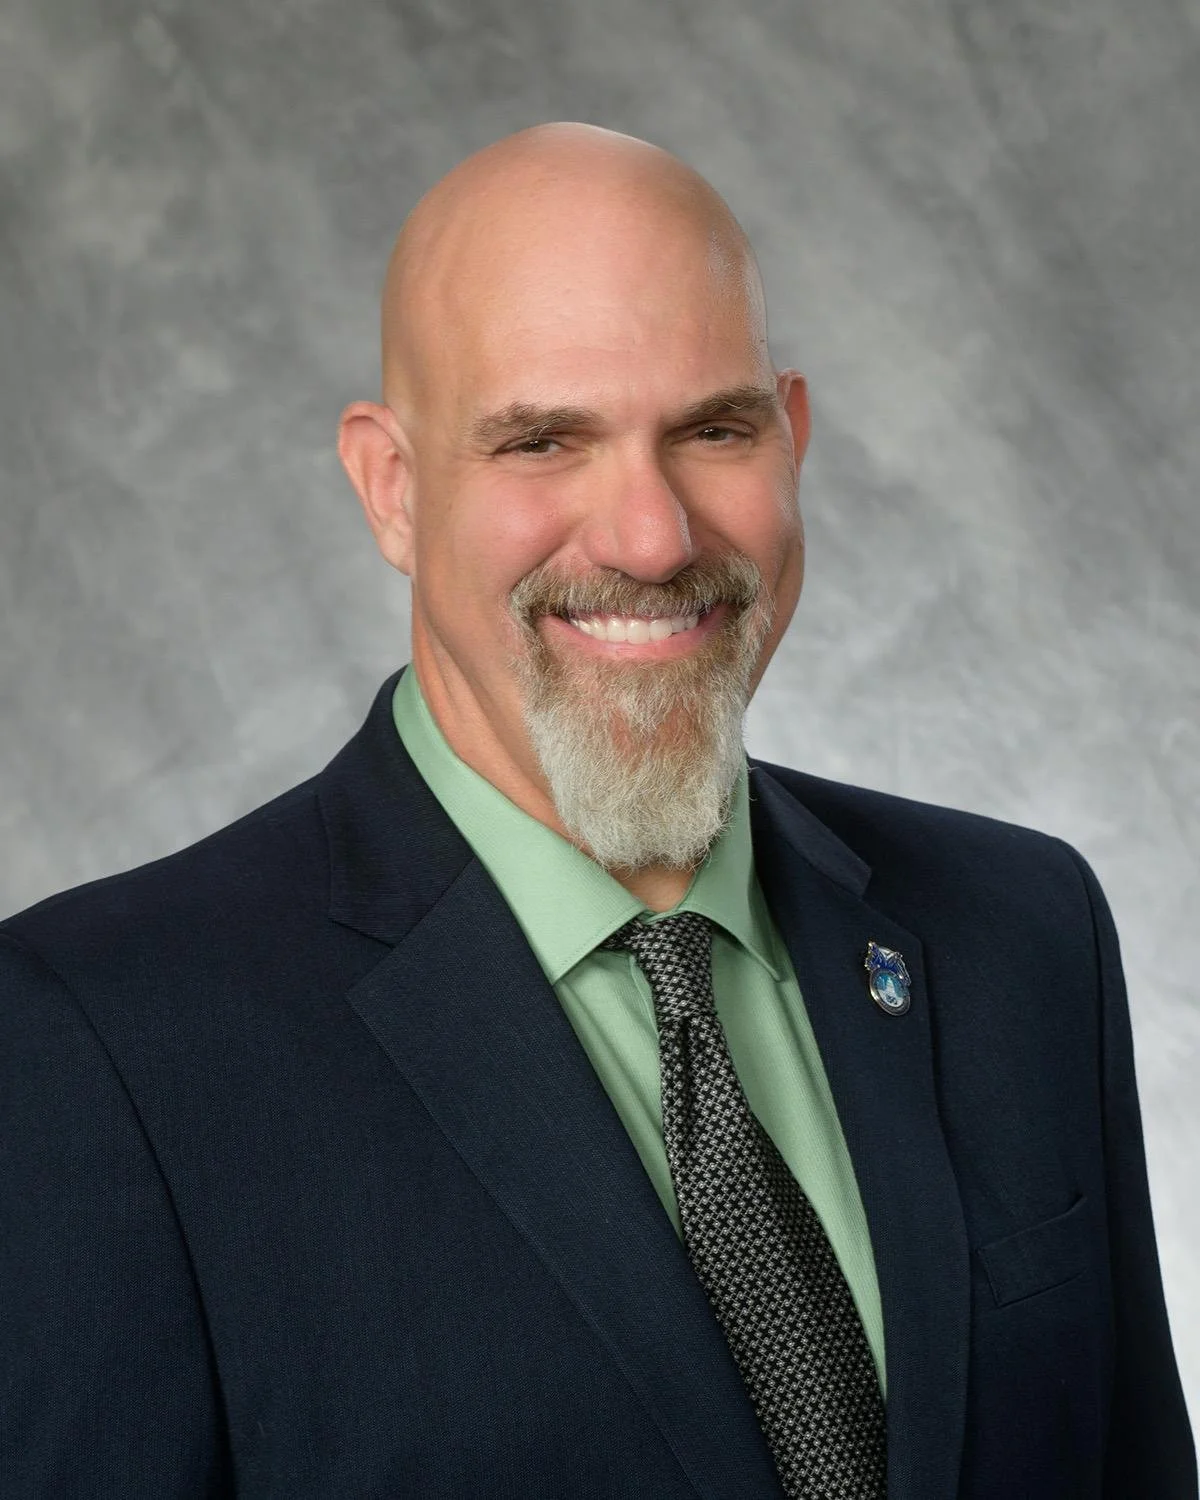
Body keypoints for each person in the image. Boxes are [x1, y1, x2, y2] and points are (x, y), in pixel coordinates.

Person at [1, 121, 1193, 1500]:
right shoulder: (98, 1045)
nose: (652, 537)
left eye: (715, 429)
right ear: (393, 489)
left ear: (792, 436)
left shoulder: (1023, 932)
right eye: (543, 441)